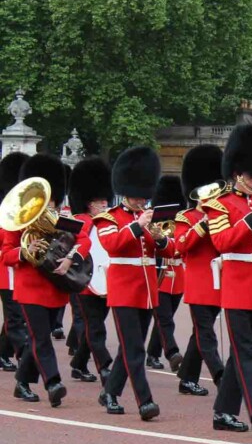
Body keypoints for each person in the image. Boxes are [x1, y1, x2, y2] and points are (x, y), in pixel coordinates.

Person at [205, 122, 252, 436]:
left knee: (241, 354)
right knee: (247, 352)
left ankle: (223, 412)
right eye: (251, 175)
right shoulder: (220, 206)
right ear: (237, 173)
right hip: (237, 289)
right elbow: (222, 243)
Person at [4, 154, 87, 406]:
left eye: (51, 198)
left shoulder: (60, 220)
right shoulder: (18, 222)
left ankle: (22, 382)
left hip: (56, 285)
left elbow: (83, 239)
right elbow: (7, 254)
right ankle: (53, 382)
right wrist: (26, 251)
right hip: (29, 287)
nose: (47, 203)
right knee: (40, 337)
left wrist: (70, 258)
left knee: (41, 337)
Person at [95, 147, 168, 421]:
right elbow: (112, 244)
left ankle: (110, 393)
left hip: (147, 291)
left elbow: (168, 251)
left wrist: (160, 238)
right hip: (124, 291)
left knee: (130, 347)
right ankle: (145, 401)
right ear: (125, 192)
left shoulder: (147, 218)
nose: (140, 200)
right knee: (135, 349)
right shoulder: (108, 218)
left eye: (143, 196)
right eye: (136, 195)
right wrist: (138, 225)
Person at [174, 144, 227, 397]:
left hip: (218, 282)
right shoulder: (186, 218)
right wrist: (202, 226)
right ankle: (220, 375)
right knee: (206, 334)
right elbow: (179, 246)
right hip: (198, 284)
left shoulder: (220, 215)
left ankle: (187, 378)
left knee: (199, 334)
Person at [67, 157, 115, 385]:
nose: (104, 204)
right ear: (88, 203)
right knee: (95, 327)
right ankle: (105, 367)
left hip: (105, 279)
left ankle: (78, 363)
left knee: (94, 326)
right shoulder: (79, 221)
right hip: (84, 281)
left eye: (105, 200)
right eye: (99, 201)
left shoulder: (110, 222)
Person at [144, 175, 187, 372]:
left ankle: (152, 354)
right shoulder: (151, 221)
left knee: (164, 319)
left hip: (177, 276)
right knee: (164, 319)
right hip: (159, 274)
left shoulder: (182, 220)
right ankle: (172, 352)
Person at [0, 152, 29, 374]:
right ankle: (26, 358)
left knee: (14, 315)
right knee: (16, 316)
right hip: (5, 270)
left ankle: (2, 352)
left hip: (18, 266)